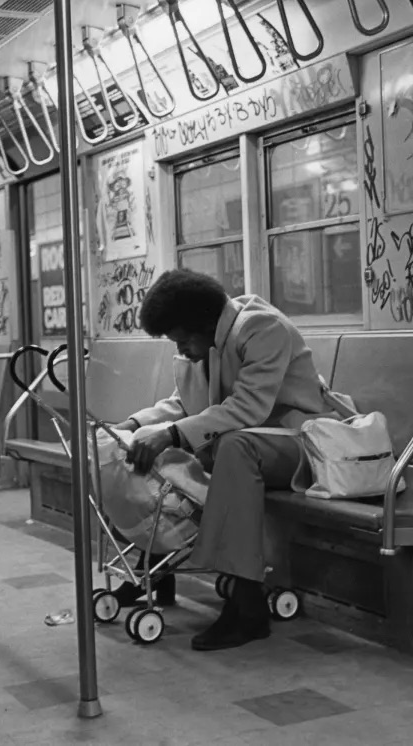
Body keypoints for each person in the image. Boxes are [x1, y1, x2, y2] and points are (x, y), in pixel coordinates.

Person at [111, 269, 340, 651]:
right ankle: (155, 570)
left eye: (183, 340)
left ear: (203, 323)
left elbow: (248, 407)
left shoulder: (262, 329)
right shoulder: (205, 343)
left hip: (305, 446)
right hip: (251, 446)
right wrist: (134, 425)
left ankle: (247, 604)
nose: (181, 351)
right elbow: (183, 403)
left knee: (230, 446)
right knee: (157, 447)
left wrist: (170, 433)